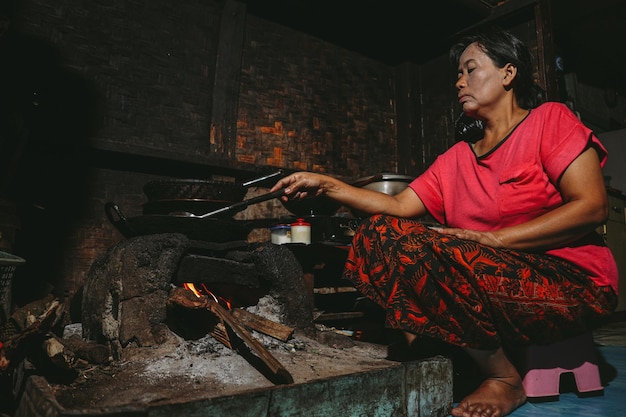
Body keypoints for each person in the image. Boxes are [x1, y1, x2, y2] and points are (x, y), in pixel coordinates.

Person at [270, 29, 618, 417]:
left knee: (435, 247)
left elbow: (591, 207)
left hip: (571, 285)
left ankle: (503, 381)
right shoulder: (456, 158)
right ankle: (452, 354)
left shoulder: (549, 120)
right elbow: (398, 205)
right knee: (379, 232)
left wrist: (495, 241)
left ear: (508, 73)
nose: (459, 81)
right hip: (489, 279)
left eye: (470, 70)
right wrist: (327, 184)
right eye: (458, 73)